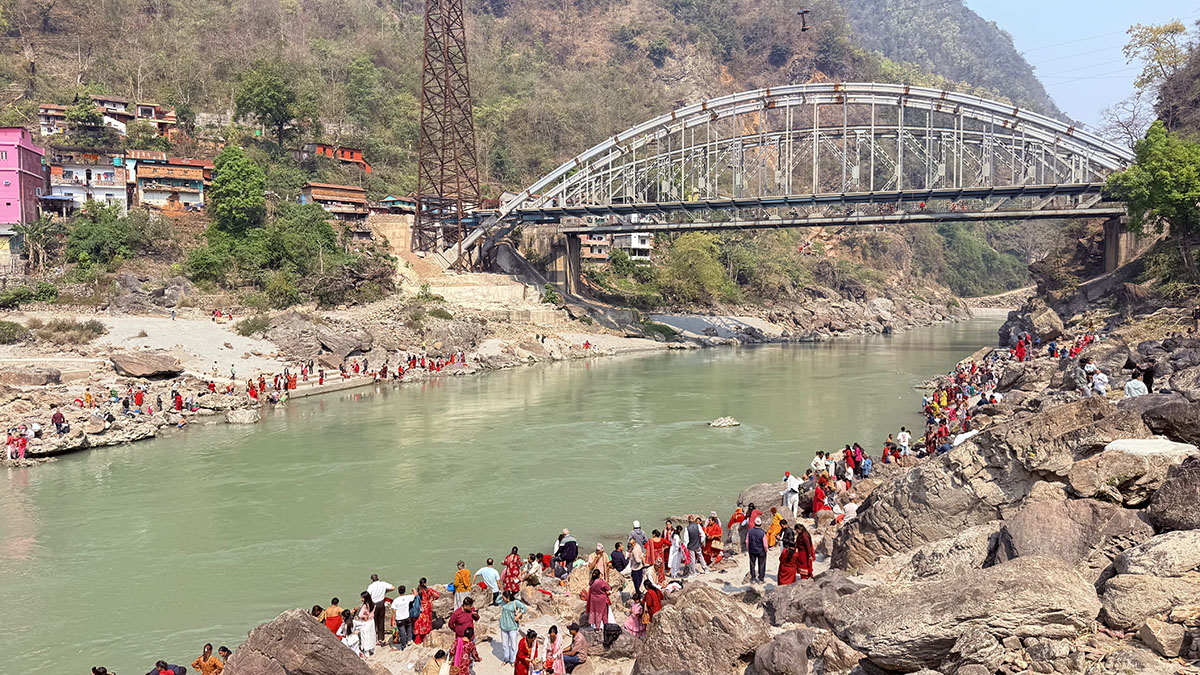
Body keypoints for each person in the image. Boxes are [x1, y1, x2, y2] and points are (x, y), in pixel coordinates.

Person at [499, 590, 529, 664]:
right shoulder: (503, 602)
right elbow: (497, 600)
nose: (502, 598)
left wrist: (518, 615)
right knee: (504, 645)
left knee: (513, 645)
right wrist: (501, 595)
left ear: (508, 597)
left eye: (504, 597)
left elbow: (524, 608)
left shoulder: (515, 603)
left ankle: (512, 660)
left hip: (513, 627)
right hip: (503, 626)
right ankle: (506, 659)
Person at [366, 574, 394, 646]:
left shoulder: (371, 586)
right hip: (381, 603)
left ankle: (373, 639)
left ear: (371, 580)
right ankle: (381, 638)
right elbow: (393, 587)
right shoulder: (383, 584)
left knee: (373, 621)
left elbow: (367, 595)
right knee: (381, 621)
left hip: (374, 604)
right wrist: (385, 591)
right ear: (378, 578)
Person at [413, 578, 440, 645]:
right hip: (427, 607)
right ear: (425, 583)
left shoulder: (417, 591)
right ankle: (425, 638)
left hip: (419, 608)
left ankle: (418, 640)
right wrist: (432, 600)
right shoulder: (428, 590)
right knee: (426, 622)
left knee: (418, 623)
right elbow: (437, 595)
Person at [392, 585, 414, 649]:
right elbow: (415, 594)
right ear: (405, 591)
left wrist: (393, 620)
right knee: (409, 629)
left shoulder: (396, 600)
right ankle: (409, 640)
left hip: (399, 619)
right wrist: (413, 589)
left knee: (402, 632)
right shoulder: (408, 597)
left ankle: (403, 645)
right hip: (407, 617)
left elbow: (394, 611)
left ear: (398, 592)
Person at [356, 591, 377, 656]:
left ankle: (366, 651)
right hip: (371, 621)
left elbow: (360, 615)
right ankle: (372, 649)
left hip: (365, 623)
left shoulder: (365, 606)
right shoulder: (373, 604)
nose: (361, 599)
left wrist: (364, 616)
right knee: (371, 635)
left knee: (365, 637)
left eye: (362, 598)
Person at [747, 516, 767, 583]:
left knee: (752, 564)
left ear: (754, 524)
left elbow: (747, 542)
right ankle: (761, 579)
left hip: (752, 550)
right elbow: (765, 544)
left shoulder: (750, 531)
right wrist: (765, 550)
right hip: (761, 551)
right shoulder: (762, 533)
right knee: (762, 564)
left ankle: (753, 578)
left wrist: (748, 549)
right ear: (760, 524)